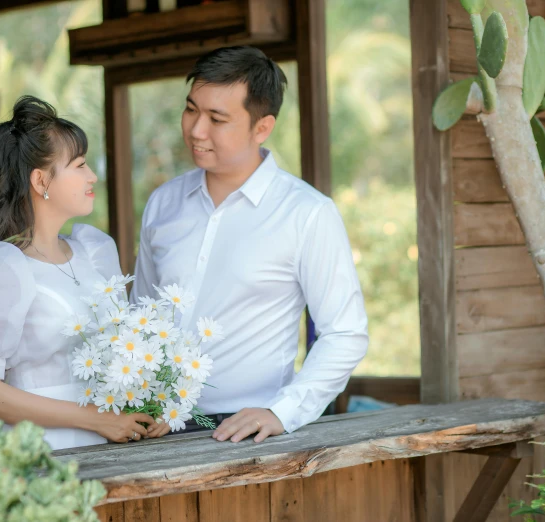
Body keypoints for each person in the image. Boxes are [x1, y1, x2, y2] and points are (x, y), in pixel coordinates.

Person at [131, 46, 369, 443]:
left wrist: (283, 410)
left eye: (217, 119)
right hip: (152, 428)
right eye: (191, 109)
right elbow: (142, 315)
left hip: (244, 435)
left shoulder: (306, 213)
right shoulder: (163, 203)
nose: (195, 130)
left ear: (262, 128)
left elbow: (346, 333)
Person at [0, 95, 158, 450]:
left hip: (114, 448)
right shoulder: (0, 268)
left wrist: (146, 408)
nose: (92, 175)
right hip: (41, 453)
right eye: (80, 165)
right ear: (40, 181)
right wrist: (97, 419)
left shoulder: (93, 252)